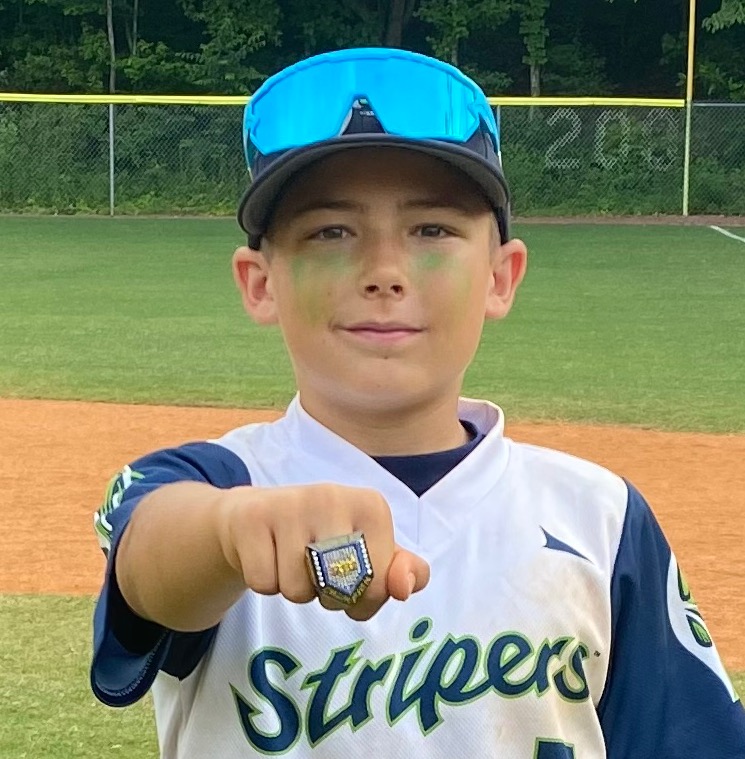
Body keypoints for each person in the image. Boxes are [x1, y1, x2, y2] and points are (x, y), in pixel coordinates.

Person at [90, 47, 745, 758]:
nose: (384, 271)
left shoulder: (600, 515)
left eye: (432, 229)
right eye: (330, 232)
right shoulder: (213, 482)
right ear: (260, 283)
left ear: (500, 277)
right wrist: (231, 531)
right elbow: (150, 563)